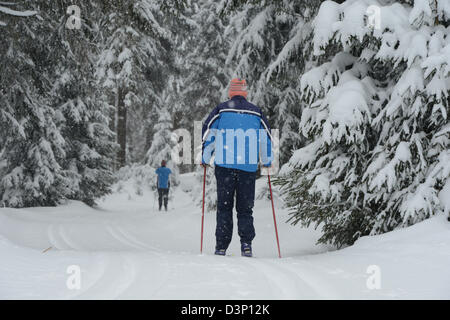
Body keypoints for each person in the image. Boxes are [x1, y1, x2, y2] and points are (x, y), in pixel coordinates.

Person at [201, 78, 272, 257]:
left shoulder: (222, 109)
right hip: (247, 168)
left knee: (224, 207)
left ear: (231, 92)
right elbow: (265, 137)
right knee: (245, 208)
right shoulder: (256, 112)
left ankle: (221, 246)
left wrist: (205, 156)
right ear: (245, 93)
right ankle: (246, 244)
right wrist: (267, 160)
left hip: (224, 166)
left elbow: (209, 132)